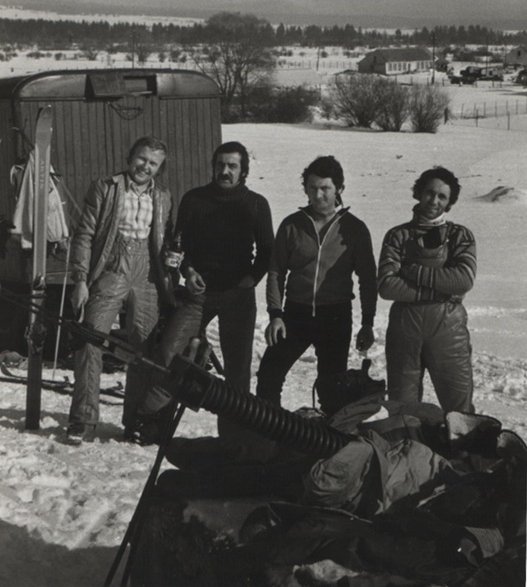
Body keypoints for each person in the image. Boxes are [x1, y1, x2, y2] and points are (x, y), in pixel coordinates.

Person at [133, 140, 274, 440]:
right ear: (213, 167)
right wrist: (189, 271)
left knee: (237, 371)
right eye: (220, 165)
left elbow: (267, 251)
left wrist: (251, 278)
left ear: (243, 171)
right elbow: (180, 246)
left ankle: (233, 437)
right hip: (199, 294)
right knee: (170, 354)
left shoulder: (256, 204)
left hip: (237, 296)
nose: (225, 171)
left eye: (232, 166)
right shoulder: (194, 200)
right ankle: (153, 424)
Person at [66, 136, 174, 443]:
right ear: (130, 158)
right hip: (112, 268)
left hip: (148, 274)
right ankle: (83, 421)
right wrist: (81, 280)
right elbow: (84, 235)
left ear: (159, 168)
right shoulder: (107, 187)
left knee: (143, 348)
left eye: (153, 163)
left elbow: (165, 241)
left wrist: (171, 259)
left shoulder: (163, 197)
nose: (145, 166)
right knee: (90, 339)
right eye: (141, 159)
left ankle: (135, 422)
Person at [256, 155, 377, 413]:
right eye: (312, 188)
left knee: (332, 389)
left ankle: (326, 446)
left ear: (339, 189)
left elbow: (367, 279)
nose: (318, 195)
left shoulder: (354, 229)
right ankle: (270, 438)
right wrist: (276, 314)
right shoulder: (292, 225)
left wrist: (367, 322)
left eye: (325, 188)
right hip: (295, 315)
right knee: (268, 377)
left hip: (335, 316)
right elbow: (276, 271)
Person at [378, 166, 477, 412]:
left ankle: (462, 450)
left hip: (448, 332)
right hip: (405, 331)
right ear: (419, 193)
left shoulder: (459, 236)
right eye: (430, 193)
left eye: (442, 196)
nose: (434, 200)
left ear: (449, 202)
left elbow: (463, 280)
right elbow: (387, 286)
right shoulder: (397, 236)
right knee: (403, 409)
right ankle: (411, 450)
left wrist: (414, 273)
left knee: (459, 408)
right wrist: (439, 290)